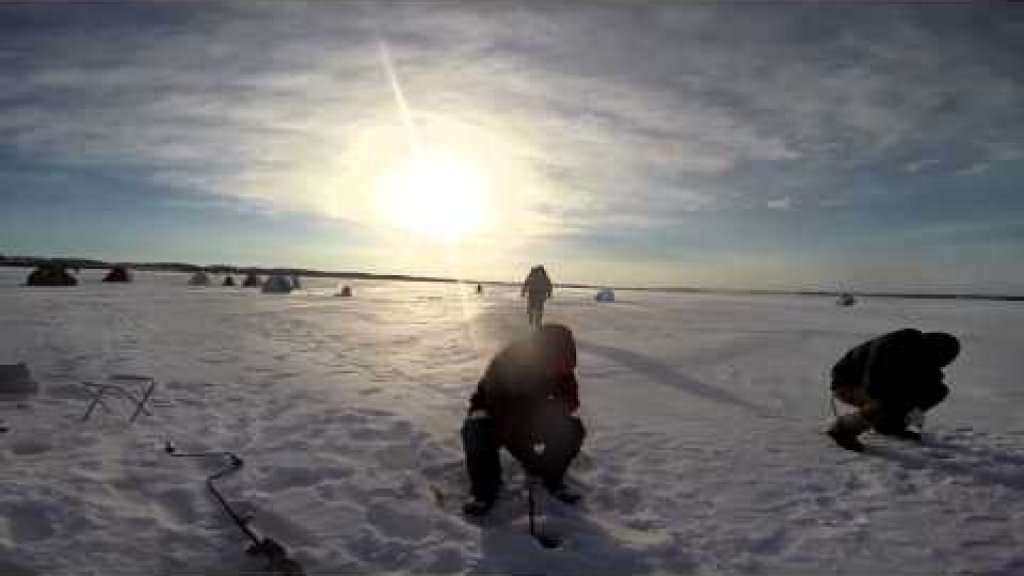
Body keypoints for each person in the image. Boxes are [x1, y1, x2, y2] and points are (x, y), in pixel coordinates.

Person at [461, 324, 585, 516]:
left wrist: (553, 410)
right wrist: (526, 452)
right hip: (495, 417)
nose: (559, 372)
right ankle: (485, 490)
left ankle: (549, 476)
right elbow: (497, 405)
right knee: (475, 429)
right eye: (556, 366)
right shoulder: (509, 362)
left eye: (564, 367)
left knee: (572, 429)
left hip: (532, 419)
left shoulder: (562, 367)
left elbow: (571, 400)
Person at [827, 328, 960, 452]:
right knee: (892, 396)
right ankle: (844, 428)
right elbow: (874, 377)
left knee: (937, 390)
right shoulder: (893, 343)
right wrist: (891, 400)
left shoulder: (920, 355)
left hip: (878, 387)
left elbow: (931, 379)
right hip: (847, 385)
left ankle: (889, 426)